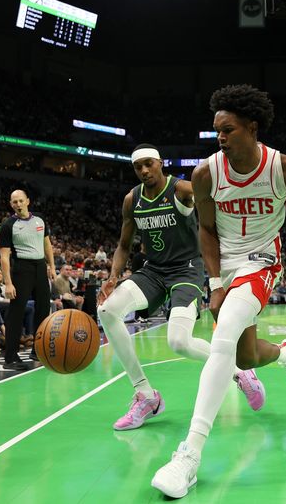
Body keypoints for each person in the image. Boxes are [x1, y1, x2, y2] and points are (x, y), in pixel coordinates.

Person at [151, 85, 286, 498]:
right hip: (224, 265)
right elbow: (207, 229)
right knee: (245, 356)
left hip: (262, 261)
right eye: (217, 130)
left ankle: (188, 457)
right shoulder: (205, 174)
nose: (220, 137)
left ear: (252, 128)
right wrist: (215, 283)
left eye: (228, 129)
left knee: (223, 337)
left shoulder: (284, 168)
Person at [97, 144, 266, 432]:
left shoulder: (181, 190)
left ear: (160, 163)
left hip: (186, 269)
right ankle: (146, 396)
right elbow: (124, 245)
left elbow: (217, 200)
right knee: (108, 310)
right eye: (138, 167)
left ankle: (239, 373)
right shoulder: (132, 200)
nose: (144, 171)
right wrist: (113, 277)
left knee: (178, 342)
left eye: (149, 164)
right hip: (153, 271)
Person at [0, 189, 55, 370]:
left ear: (28, 201)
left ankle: (38, 350)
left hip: (40, 267)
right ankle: (10, 358)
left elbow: (47, 244)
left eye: (21, 201)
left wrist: (52, 266)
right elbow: (4, 256)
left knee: (43, 310)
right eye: (14, 202)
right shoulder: (8, 225)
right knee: (16, 312)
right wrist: (8, 282)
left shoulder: (40, 219)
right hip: (21, 269)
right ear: (11, 204)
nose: (18, 204)